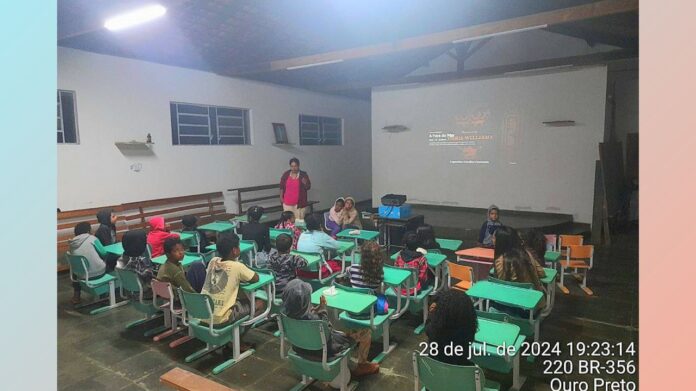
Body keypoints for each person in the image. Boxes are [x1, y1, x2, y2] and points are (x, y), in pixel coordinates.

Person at [282, 279, 379, 377]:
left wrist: (317, 309)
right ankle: (362, 365)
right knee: (366, 333)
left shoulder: (286, 317)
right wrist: (323, 308)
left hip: (299, 349)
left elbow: (306, 317)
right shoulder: (317, 321)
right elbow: (327, 328)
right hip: (326, 351)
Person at [201, 233, 264, 329]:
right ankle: (238, 338)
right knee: (260, 303)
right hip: (220, 319)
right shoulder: (237, 266)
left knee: (240, 297)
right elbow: (256, 278)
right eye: (238, 246)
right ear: (234, 250)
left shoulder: (213, 261)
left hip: (204, 314)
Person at [425, 289, 478, 366]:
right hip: (461, 369)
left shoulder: (434, 332)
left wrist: (431, 315)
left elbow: (429, 327)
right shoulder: (467, 332)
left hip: (434, 369)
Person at [68, 222, 110, 305]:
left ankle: (76, 296)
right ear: (88, 230)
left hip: (80, 274)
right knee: (111, 263)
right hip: (96, 273)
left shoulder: (72, 243)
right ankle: (104, 293)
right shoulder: (92, 238)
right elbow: (104, 253)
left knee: (77, 268)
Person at [296, 214, 343, 279]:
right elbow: (338, 246)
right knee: (339, 263)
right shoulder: (321, 235)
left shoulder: (302, 235)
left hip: (301, 271)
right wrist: (323, 232)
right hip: (318, 273)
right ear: (320, 224)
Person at [121, 229, 156, 295]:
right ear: (140, 244)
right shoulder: (143, 262)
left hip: (130, 292)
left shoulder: (121, 260)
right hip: (146, 293)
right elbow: (152, 279)